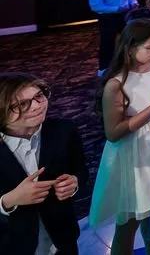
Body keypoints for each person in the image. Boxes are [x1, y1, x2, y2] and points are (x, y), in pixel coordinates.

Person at [90, 19, 150, 255]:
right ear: (131, 47)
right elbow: (113, 132)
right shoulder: (117, 83)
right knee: (130, 219)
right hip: (137, 153)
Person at [0, 73, 89, 255]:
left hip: (62, 238)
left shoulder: (64, 130)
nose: (37, 106)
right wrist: (8, 201)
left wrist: (74, 183)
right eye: (22, 104)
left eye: (39, 96)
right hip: (11, 244)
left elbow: (80, 170)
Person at [89, 0, 139, 72]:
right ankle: (104, 68)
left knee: (131, 40)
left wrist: (133, 2)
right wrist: (116, 9)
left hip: (126, 15)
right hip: (108, 18)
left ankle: (132, 64)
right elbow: (96, 6)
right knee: (107, 43)